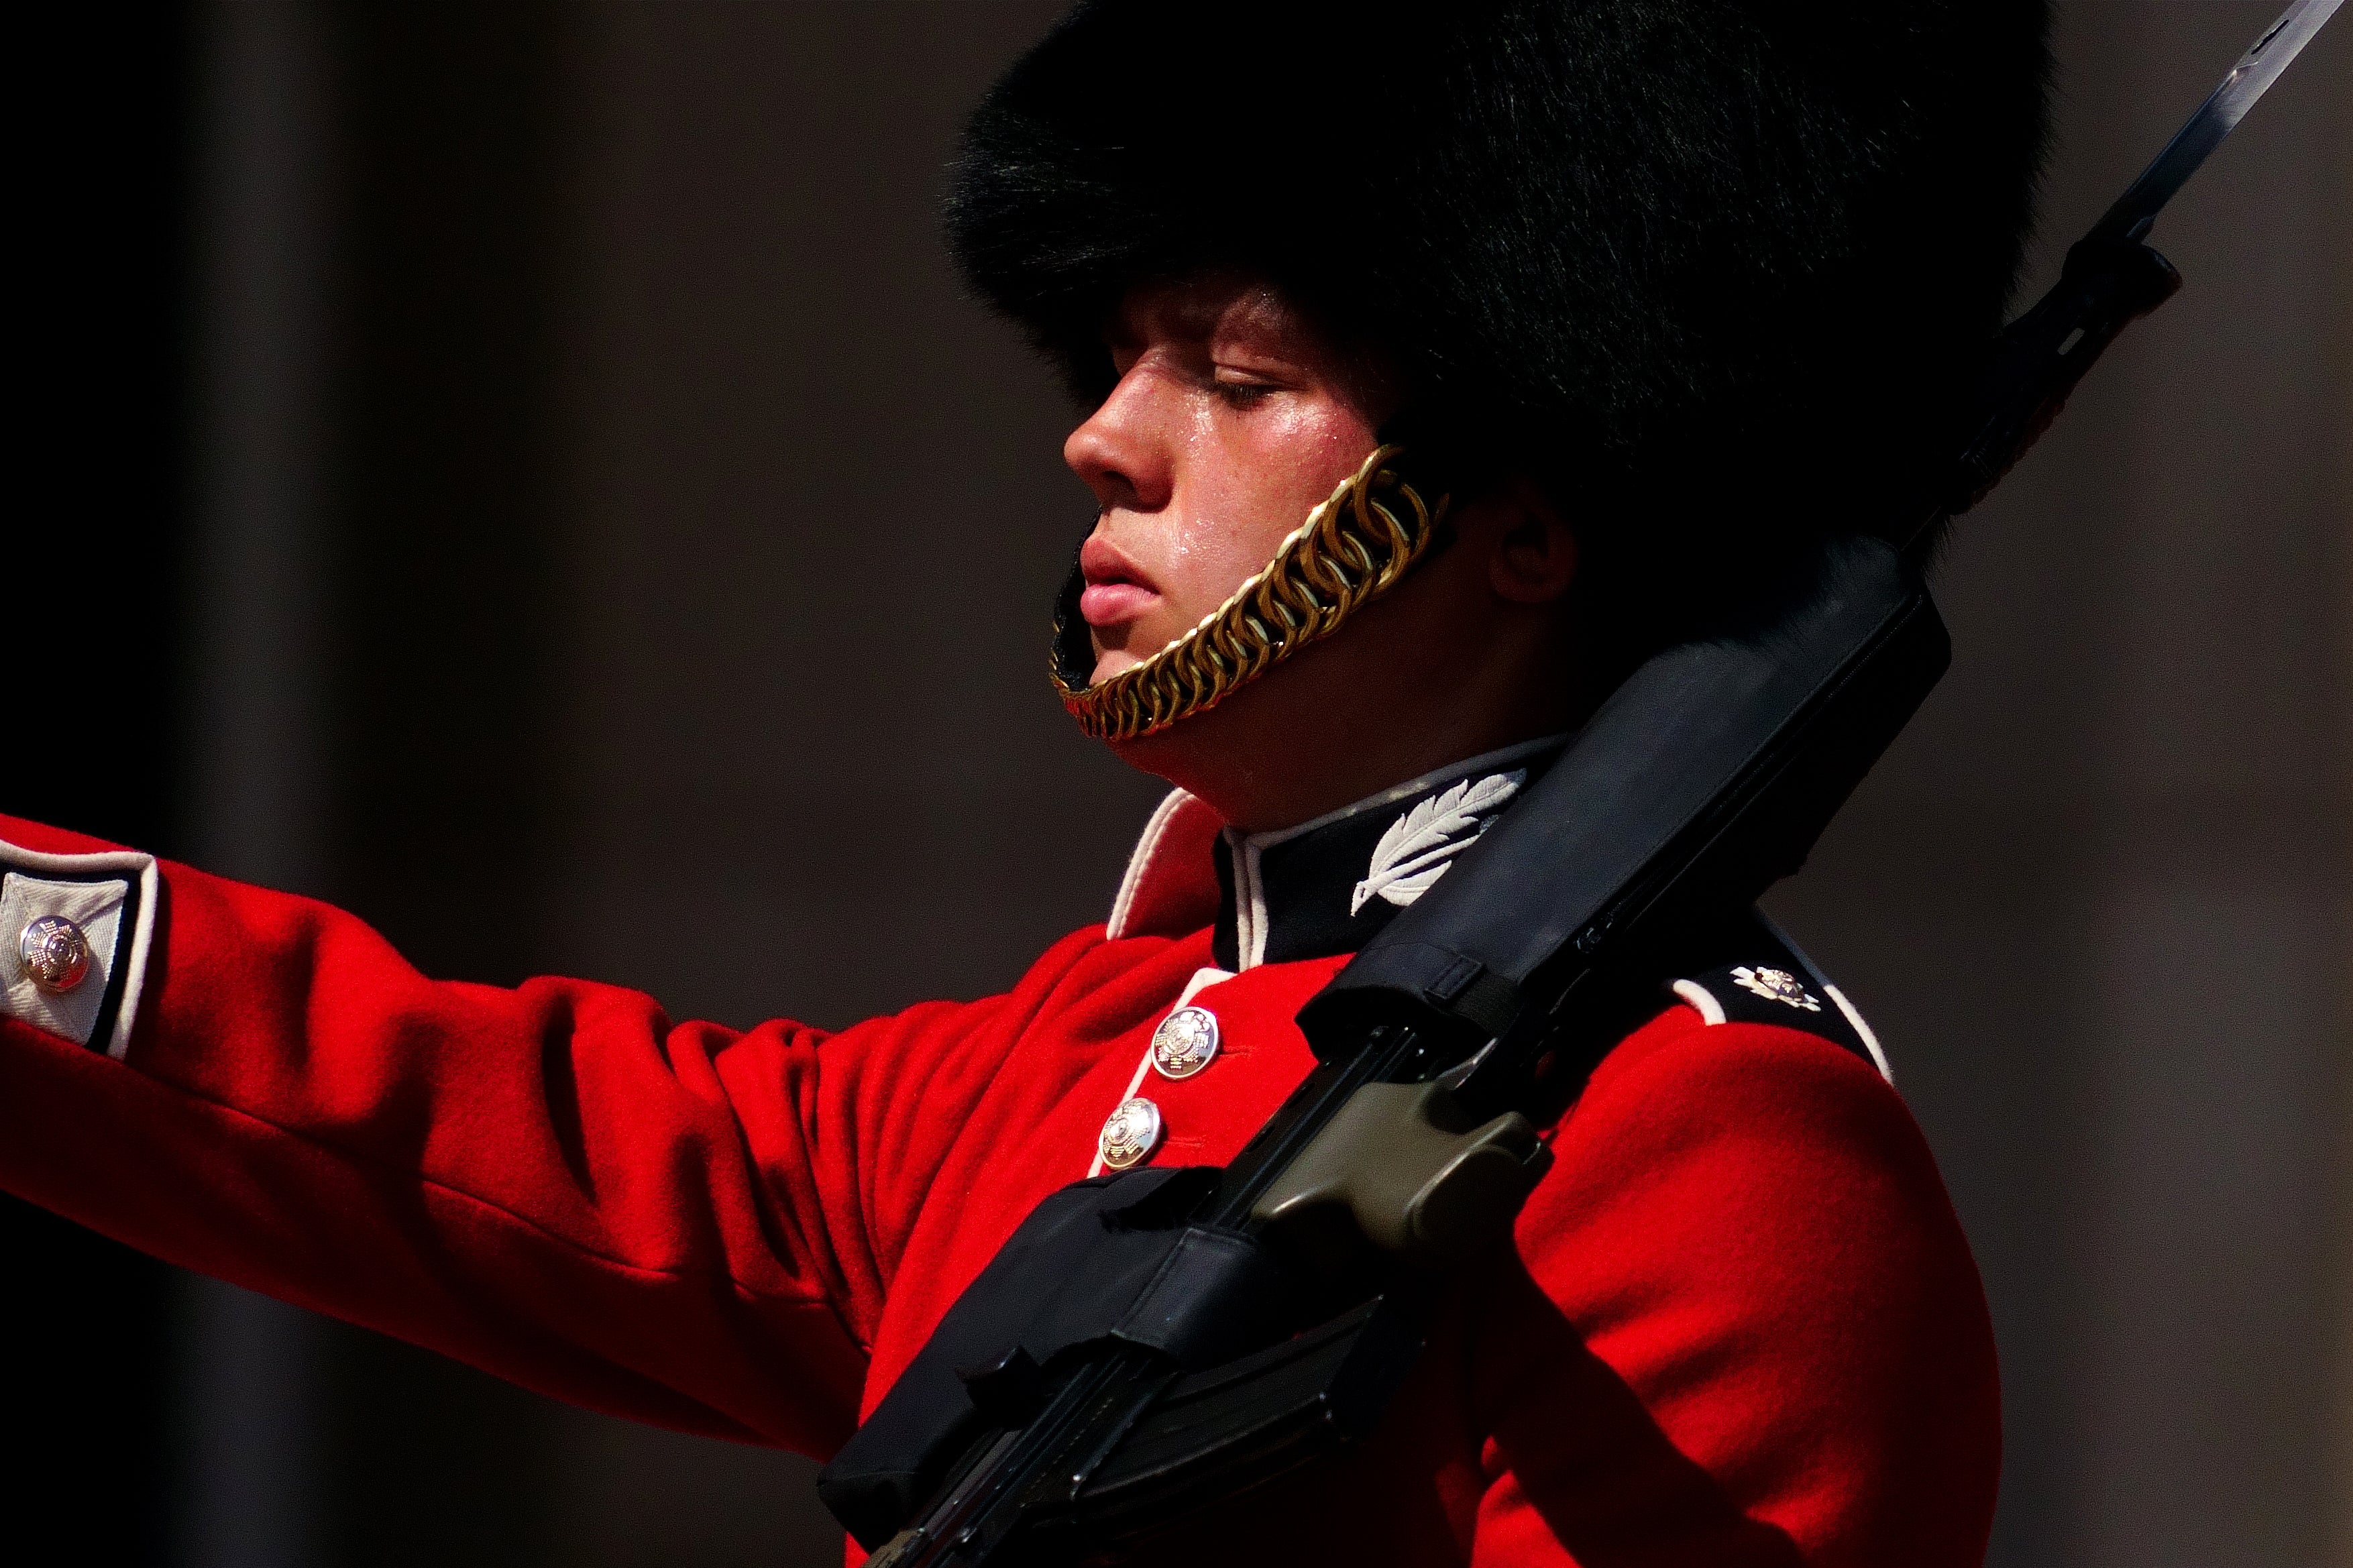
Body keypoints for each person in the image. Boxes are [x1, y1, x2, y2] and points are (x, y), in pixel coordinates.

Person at [0, 2, 2050, 1562]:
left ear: (1519, 511)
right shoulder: (1064, 1065)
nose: (1105, 437)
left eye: (1234, 379)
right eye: (1118, 360)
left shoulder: (1709, 1143)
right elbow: (431, 1117)